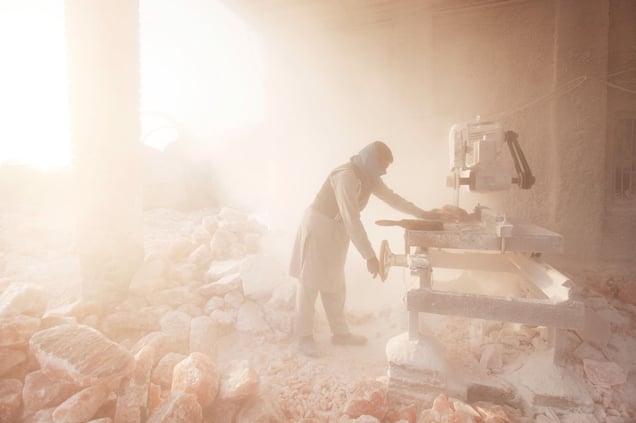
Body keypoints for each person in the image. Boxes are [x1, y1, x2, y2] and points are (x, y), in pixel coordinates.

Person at [289, 141, 466, 357]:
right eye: (382, 165)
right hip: (320, 225)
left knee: (334, 281)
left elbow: (393, 199)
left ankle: (340, 333)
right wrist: (370, 256)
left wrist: (423, 214)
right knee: (310, 282)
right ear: (370, 160)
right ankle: (304, 337)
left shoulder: (369, 178)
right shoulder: (345, 176)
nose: (384, 171)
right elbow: (351, 218)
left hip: (337, 229)